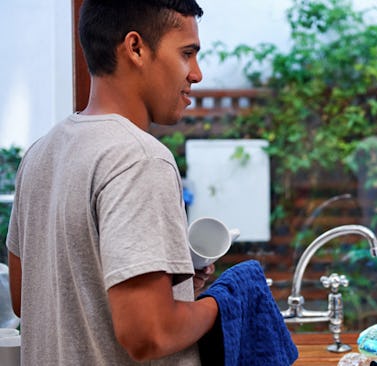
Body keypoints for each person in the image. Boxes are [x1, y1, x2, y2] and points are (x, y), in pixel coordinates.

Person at [6, 1, 221, 364]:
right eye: (187, 54)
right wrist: (225, 301)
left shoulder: (40, 154)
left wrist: (171, 290)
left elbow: (25, 297)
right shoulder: (140, 159)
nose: (196, 74)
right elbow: (149, 335)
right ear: (135, 48)